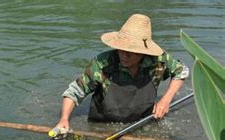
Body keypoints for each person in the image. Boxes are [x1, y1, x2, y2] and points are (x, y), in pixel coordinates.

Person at [55, 14, 189, 132]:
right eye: (121, 49)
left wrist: (165, 100)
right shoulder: (102, 64)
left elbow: (181, 71)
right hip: (103, 125)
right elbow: (75, 91)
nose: (124, 55)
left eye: (130, 52)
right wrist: (64, 119)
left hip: (143, 122)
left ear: (143, 52)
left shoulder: (158, 60)